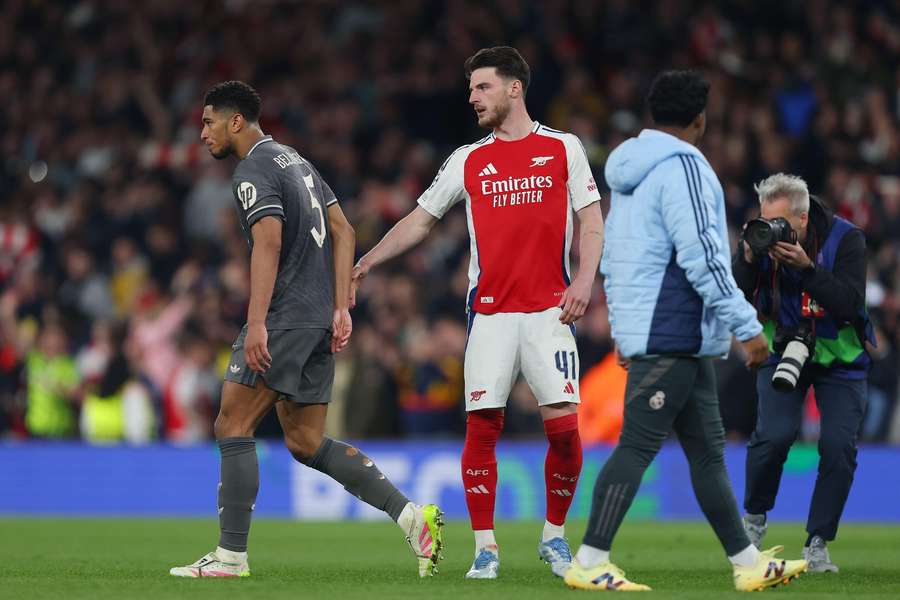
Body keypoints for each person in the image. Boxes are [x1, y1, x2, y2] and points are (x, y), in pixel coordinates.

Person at [170, 81, 444, 579]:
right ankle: (411, 517)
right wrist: (340, 306)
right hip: (317, 318)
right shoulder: (296, 161)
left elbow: (268, 244)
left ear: (236, 122)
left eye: (208, 122)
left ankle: (230, 557)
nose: (202, 132)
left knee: (232, 424)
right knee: (305, 440)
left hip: (285, 319)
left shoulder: (251, 169)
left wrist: (257, 324)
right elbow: (345, 231)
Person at [352, 46, 605, 579]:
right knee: (481, 432)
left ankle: (554, 538)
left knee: (564, 432)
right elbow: (421, 220)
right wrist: (368, 260)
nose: (472, 97)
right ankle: (486, 549)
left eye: (482, 87)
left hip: (550, 312)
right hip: (489, 316)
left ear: (515, 88)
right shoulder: (468, 159)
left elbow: (591, 219)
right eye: (470, 89)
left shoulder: (564, 149)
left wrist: (584, 280)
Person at [564, 71, 807, 592]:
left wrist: (627, 332)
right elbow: (706, 262)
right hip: (673, 333)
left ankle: (746, 563)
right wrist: (748, 329)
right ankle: (588, 560)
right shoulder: (688, 169)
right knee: (637, 446)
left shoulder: (629, 174)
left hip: (668, 334)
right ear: (701, 119)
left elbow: (623, 260)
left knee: (707, 453)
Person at [733, 173, 874, 573]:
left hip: (840, 354)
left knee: (838, 447)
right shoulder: (759, 241)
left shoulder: (847, 240)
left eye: (777, 222)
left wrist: (809, 269)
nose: (769, 229)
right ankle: (754, 522)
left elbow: (850, 305)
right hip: (781, 346)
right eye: (764, 219)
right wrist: (746, 258)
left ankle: (817, 543)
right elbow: (734, 291)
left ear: (802, 219)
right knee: (773, 436)